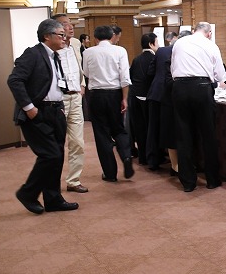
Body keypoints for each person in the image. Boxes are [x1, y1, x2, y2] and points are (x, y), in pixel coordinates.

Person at [7, 18, 79, 214]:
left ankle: (53, 199)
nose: (64, 38)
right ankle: (27, 193)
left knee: (57, 156)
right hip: (38, 111)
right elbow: (14, 80)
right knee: (50, 155)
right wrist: (29, 107)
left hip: (56, 110)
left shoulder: (55, 56)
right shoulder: (33, 54)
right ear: (47, 36)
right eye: (61, 35)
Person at [171, 22, 226, 192]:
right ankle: (212, 179)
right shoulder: (210, 45)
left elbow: (173, 67)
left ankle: (188, 182)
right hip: (202, 88)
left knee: (183, 135)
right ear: (209, 33)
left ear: (193, 30)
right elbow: (219, 74)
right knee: (208, 134)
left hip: (180, 87)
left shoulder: (179, 43)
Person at [82, 25, 134, 182]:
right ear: (112, 36)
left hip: (96, 95)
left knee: (101, 133)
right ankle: (126, 156)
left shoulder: (88, 52)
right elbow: (125, 77)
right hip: (115, 94)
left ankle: (110, 173)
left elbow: (86, 73)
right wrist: (124, 98)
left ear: (95, 38)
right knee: (119, 129)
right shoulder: (120, 51)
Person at [51, 13, 88, 193]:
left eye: (70, 23)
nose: (70, 27)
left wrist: (82, 84)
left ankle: (73, 180)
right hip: (59, 99)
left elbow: (78, 67)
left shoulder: (75, 44)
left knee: (78, 142)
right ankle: (52, 183)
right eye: (65, 24)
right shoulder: (50, 47)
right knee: (57, 143)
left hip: (75, 97)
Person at [146, 32, 179, 172]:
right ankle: (176, 164)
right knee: (170, 129)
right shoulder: (183, 52)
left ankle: (153, 161)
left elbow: (150, 71)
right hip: (171, 95)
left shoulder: (161, 51)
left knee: (153, 127)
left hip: (156, 92)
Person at [128, 32, 158, 166]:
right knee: (151, 129)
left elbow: (131, 76)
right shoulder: (155, 58)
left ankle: (142, 157)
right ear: (151, 44)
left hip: (135, 96)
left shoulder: (136, 59)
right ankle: (153, 158)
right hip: (149, 97)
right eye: (157, 42)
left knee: (139, 128)